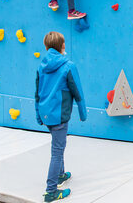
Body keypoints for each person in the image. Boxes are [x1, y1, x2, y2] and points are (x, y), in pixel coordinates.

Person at [35, 32, 87, 201]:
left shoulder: (41, 67)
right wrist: (83, 112)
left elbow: (37, 93)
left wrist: (38, 115)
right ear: (62, 46)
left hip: (46, 114)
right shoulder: (69, 66)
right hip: (59, 115)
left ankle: (61, 175)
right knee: (57, 151)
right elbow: (77, 91)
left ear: (46, 47)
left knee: (59, 143)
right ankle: (51, 192)